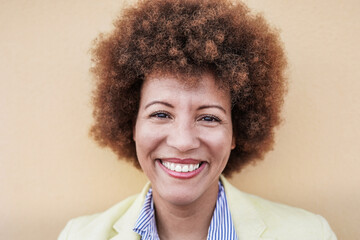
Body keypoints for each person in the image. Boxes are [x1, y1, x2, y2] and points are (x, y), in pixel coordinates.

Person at [58, 0, 337, 239]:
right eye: (160, 114)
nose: (182, 141)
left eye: (209, 118)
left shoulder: (311, 234)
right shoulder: (78, 236)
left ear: (236, 133)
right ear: (131, 124)